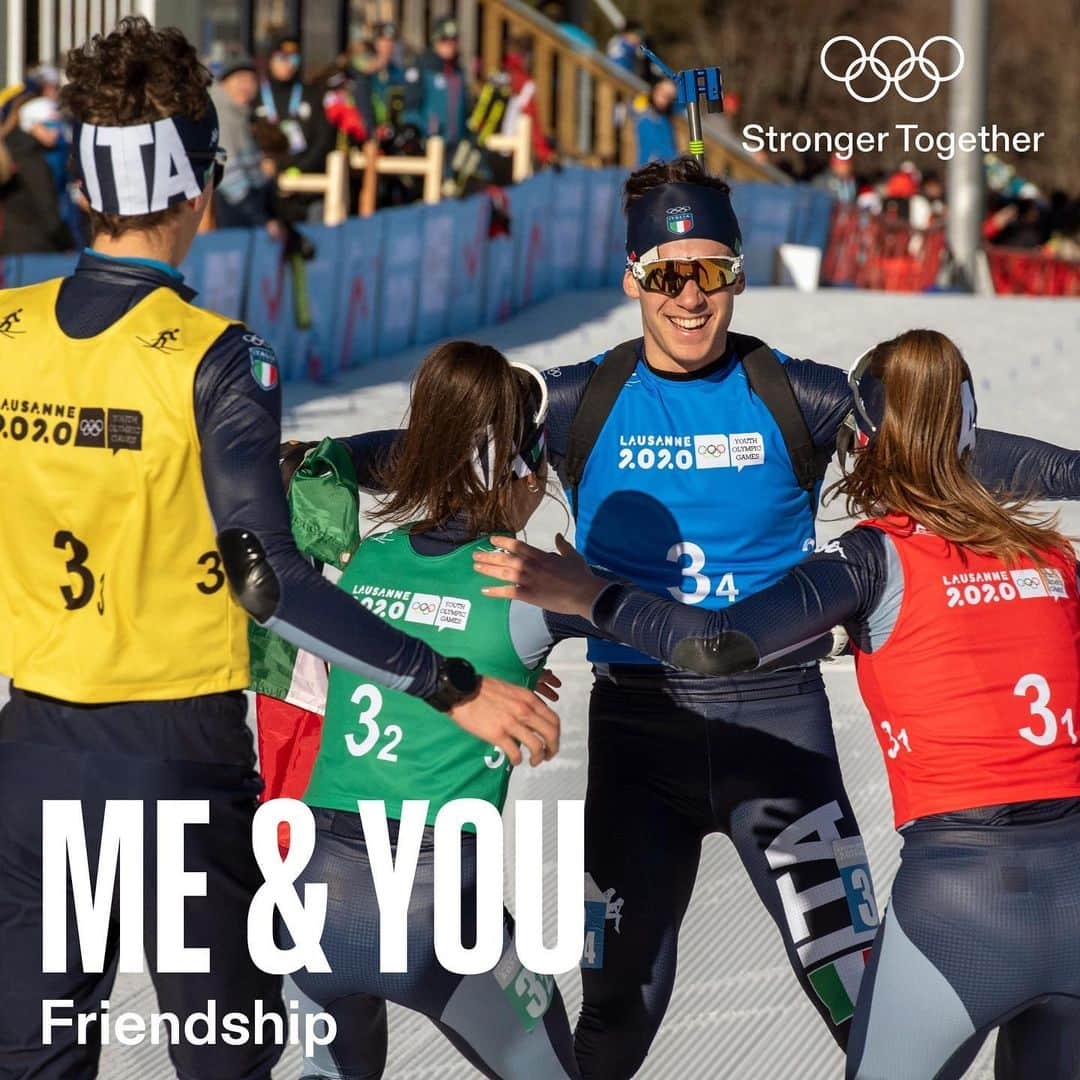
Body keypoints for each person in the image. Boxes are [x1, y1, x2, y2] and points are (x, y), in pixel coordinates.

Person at [334, 155, 1080, 1078]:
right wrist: (311, 457)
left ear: (737, 270)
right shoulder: (577, 401)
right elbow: (436, 450)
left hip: (779, 736)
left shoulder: (794, 395)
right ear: (632, 278)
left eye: (712, 273)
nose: (690, 299)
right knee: (616, 1011)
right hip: (642, 740)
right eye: (665, 275)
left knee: (859, 995)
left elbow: (942, 456)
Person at [0, 19, 557, 1078]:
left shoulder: (7, 330)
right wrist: (448, 685)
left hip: (31, 757)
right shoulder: (217, 355)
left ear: (84, 187)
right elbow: (269, 579)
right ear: (201, 190)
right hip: (174, 764)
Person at [474, 328, 1080, 1080]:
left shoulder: (871, 554)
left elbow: (719, 642)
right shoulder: (1054, 557)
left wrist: (585, 595)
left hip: (952, 890)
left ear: (863, 440)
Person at [253, 32, 337, 220]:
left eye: (294, 58)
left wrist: (300, 169)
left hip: (307, 189)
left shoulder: (312, 94)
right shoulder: (256, 97)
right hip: (265, 189)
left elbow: (324, 139)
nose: (288, 64)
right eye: (282, 57)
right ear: (270, 60)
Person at [210, 53, 281, 230]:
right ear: (224, 83)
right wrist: (263, 220)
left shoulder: (243, 114)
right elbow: (228, 177)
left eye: (251, 81)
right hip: (230, 209)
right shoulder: (219, 114)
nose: (246, 86)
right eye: (240, 79)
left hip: (245, 205)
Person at [0, 96, 73, 254]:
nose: (55, 131)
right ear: (31, 125)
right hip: (31, 248)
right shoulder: (29, 159)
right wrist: (67, 243)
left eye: (57, 124)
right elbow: (46, 206)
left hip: (16, 245)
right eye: (48, 124)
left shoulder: (14, 150)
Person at [634, 79, 678, 165]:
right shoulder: (645, 116)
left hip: (667, 164)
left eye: (668, 98)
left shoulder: (665, 118)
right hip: (649, 166)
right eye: (662, 95)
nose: (664, 101)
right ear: (654, 92)